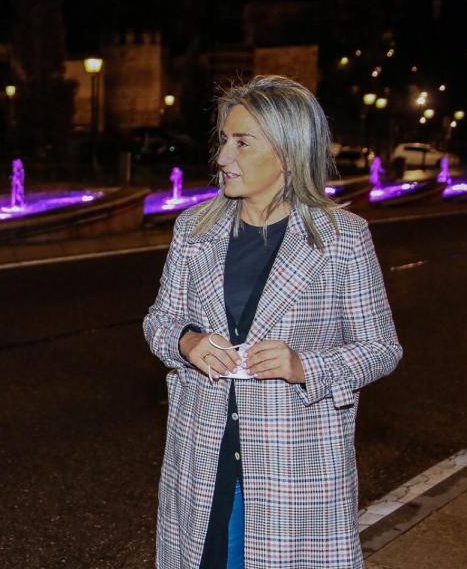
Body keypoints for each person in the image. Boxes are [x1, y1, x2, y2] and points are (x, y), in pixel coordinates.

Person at [143, 75, 403, 569]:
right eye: (223, 140)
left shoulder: (343, 239)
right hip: (202, 453)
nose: (223, 157)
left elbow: (381, 347)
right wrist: (186, 340)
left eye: (242, 142)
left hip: (295, 462)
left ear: (287, 152)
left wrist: (304, 366)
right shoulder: (195, 231)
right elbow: (160, 320)